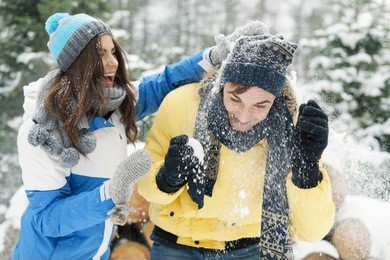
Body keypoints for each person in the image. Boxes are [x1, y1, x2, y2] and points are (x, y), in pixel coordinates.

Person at [12, 12, 266, 260]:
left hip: (95, 253)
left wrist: (214, 56)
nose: (112, 63)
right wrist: (110, 193)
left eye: (113, 52)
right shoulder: (41, 131)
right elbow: (46, 219)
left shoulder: (114, 104)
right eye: (99, 54)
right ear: (76, 63)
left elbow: (163, 83)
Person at [138, 34, 336, 259]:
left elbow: (313, 231)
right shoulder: (181, 104)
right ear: (223, 83)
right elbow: (146, 187)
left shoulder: (292, 124)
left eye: (260, 105)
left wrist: (307, 170)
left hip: (252, 248)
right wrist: (167, 177)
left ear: (277, 98)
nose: (243, 117)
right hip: (176, 246)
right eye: (235, 99)